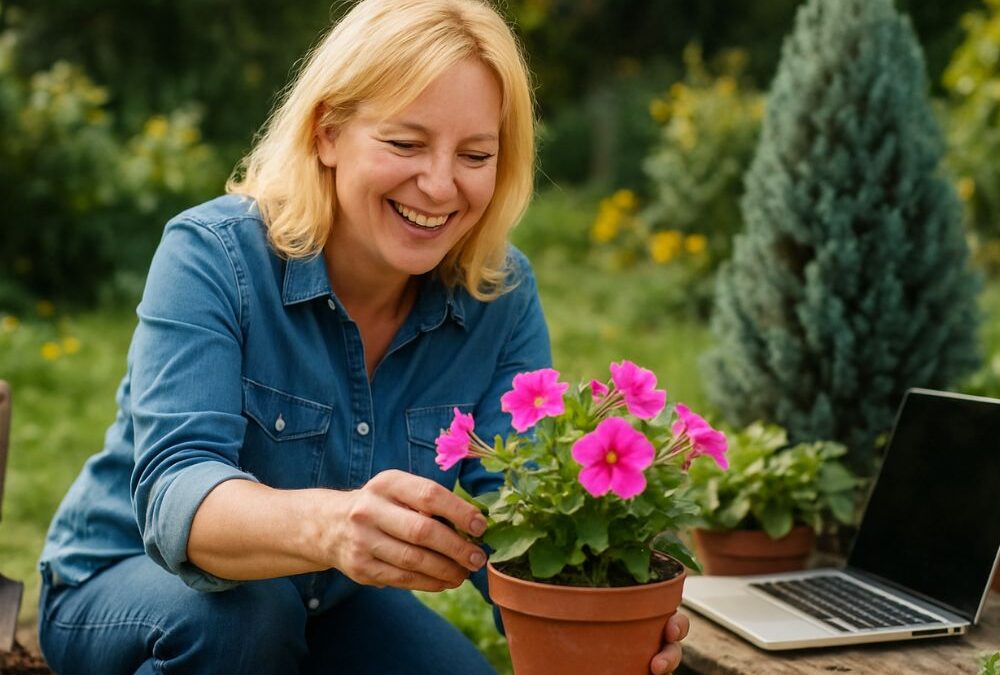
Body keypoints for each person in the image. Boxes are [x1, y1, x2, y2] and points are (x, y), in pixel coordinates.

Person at [37, 1, 690, 672]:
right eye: (405, 143)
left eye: (475, 154)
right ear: (327, 134)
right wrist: (330, 525)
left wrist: (610, 605)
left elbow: (516, 510)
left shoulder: (498, 293)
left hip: (329, 601)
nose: (439, 185)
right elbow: (178, 492)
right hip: (128, 583)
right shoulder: (213, 256)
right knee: (247, 621)